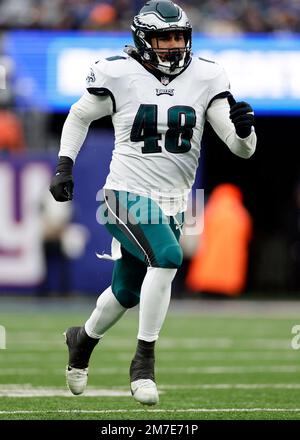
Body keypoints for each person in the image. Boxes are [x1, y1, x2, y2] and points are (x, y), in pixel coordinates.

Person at [49, 0, 256, 406]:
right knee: (167, 256)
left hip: (175, 203)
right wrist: (64, 165)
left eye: (179, 36)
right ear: (144, 40)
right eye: (164, 38)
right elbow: (78, 116)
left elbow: (240, 148)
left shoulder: (207, 76)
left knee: (126, 291)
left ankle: (82, 340)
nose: (174, 45)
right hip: (122, 194)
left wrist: (247, 133)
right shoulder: (118, 72)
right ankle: (143, 363)